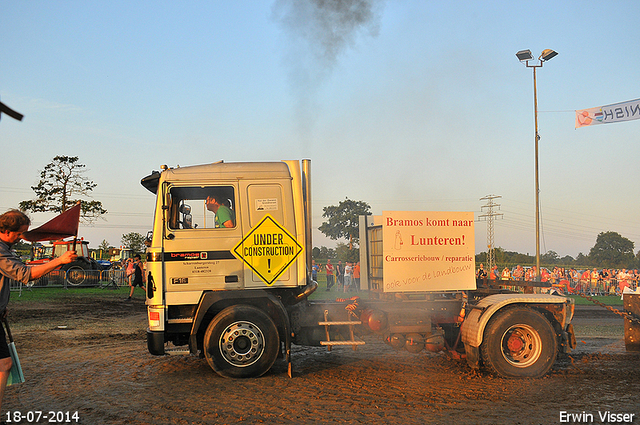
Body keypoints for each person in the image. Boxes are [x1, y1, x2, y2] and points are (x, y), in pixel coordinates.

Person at [0, 209, 77, 418]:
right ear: (6, 230)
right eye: (19, 233)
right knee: (3, 365)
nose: (21, 237)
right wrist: (59, 261)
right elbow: (26, 274)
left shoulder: (5, 248)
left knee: (4, 365)